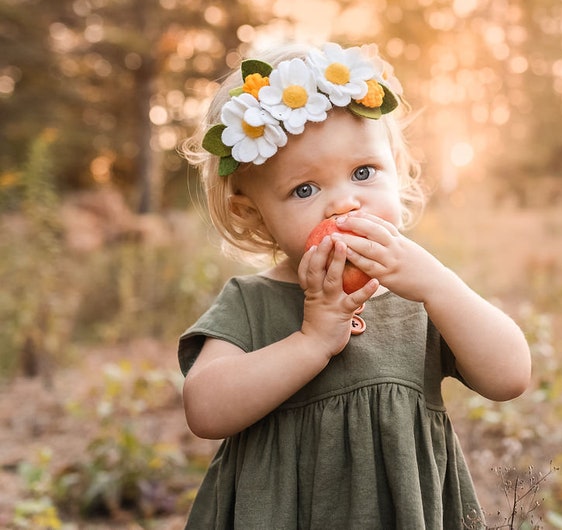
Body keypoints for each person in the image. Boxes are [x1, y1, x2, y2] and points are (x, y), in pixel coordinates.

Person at [178, 40, 532, 529]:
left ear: (398, 170)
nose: (344, 203)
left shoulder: (420, 294)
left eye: (363, 172)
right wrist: (312, 341)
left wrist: (439, 286)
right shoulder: (252, 301)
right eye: (305, 189)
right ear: (254, 214)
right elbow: (205, 410)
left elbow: (509, 376)